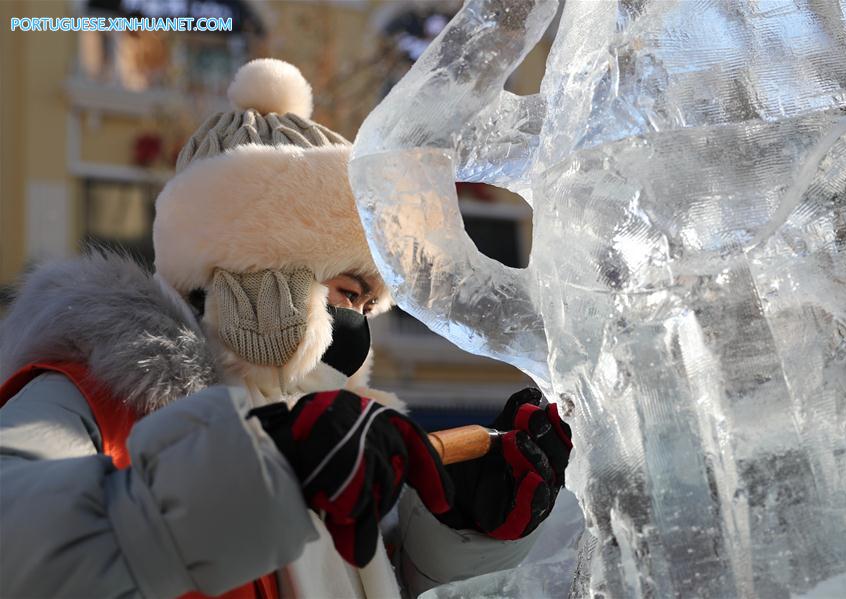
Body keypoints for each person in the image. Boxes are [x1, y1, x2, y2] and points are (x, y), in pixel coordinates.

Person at [0, 59, 571, 598]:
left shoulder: (324, 441)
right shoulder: (85, 396)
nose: (357, 329)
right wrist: (248, 470)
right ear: (263, 270)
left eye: (368, 306)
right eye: (349, 292)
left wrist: (457, 526)